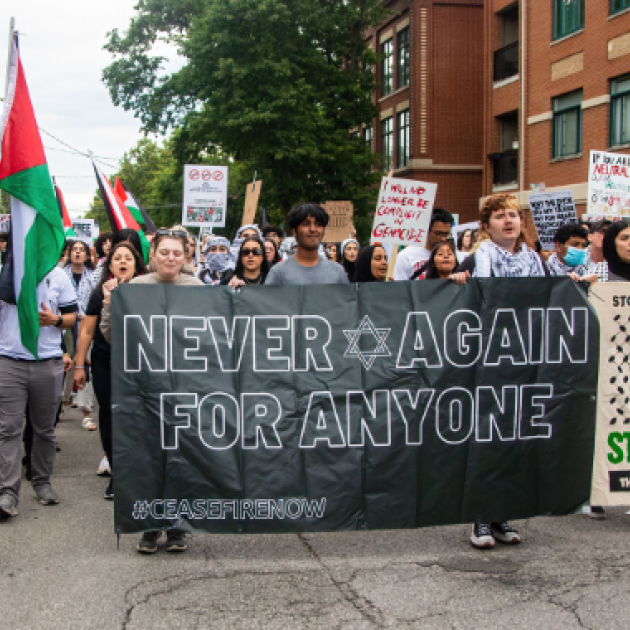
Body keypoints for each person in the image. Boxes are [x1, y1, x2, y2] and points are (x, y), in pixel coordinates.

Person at [451, 193, 547, 549]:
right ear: (486, 226)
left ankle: (501, 513)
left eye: (513, 215)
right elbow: (481, 295)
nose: (508, 221)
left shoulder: (533, 259)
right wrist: (462, 281)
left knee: (513, 440)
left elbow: (548, 295)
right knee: (486, 439)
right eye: (499, 216)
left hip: (522, 360)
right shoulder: (483, 256)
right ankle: (479, 517)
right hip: (489, 361)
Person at [100, 228, 202, 553]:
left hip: (185, 389)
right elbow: (111, 335)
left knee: (181, 460)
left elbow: (218, 335)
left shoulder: (199, 289)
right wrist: (109, 304)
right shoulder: (136, 288)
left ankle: (176, 528)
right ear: (154, 254)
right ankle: (149, 526)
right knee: (149, 459)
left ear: (185, 256)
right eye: (164, 252)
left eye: (177, 253)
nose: (170, 258)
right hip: (144, 391)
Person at [0, 266, 78, 517]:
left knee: (44, 429)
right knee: (8, 428)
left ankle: (42, 482)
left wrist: (54, 320)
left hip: (48, 362)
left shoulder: (57, 275)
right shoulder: (5, 272)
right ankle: (8, 492)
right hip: (9, 360)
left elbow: (72, 316)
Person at [74, 242, 146, 500]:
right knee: (110, 414)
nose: (123, 262)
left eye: (128, 258)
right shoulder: (99, 293)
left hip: (139, 363)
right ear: (110, 264)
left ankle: (138, 472)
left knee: (136, 416)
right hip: (105, 361)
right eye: (118, 258)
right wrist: (80, 364)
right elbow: (87, 331)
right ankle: (117, 474)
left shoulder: (148, 290)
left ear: (136, 264)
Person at [266, 204, 349, 286]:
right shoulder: (278, 273)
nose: (313, 229)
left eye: (318, 224)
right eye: (306, 224)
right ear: (294, 231)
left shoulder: (338, 272)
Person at [393, 208, 455, 280]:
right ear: (426, 230)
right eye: (438, 233)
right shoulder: (405, 256)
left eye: (446, 234)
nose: (443, 238)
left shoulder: (453, 255)